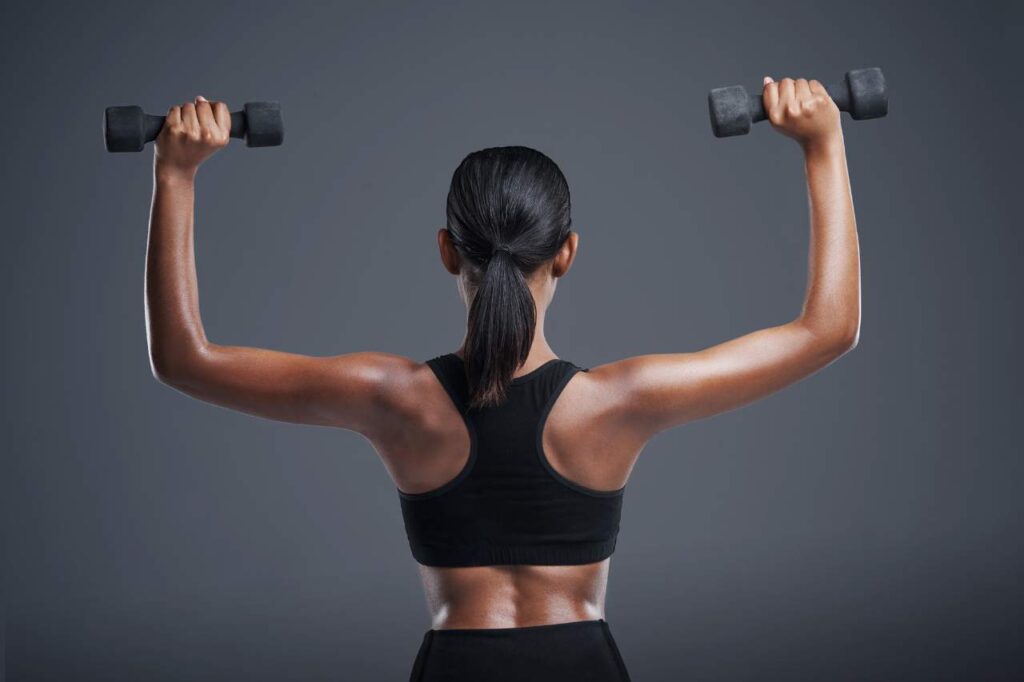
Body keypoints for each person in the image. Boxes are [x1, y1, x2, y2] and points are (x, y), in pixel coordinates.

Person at [145, 76, 860, 681]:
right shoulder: (620, 403)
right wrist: (823, 145)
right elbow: (827, 330)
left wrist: (176, 173)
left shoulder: (392, 399)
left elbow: (185, 359)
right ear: (568, 253)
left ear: (448, 253)